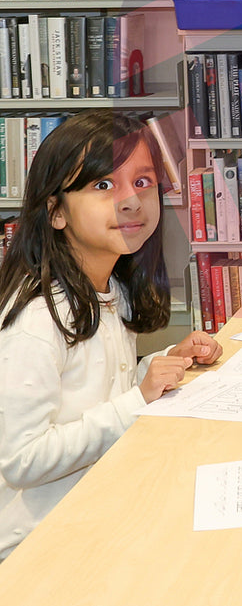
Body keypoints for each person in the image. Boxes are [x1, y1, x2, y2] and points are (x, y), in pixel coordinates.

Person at [0, 112, 221, 561]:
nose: (130, 201)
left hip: (100, 510)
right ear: (55, 211)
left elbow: (93, 393)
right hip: (39, 548)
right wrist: (137, 399)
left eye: (142, 182)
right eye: (103, 185)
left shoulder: (110, 287)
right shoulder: (37, 319)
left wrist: (163, 364)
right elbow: (22, 460)